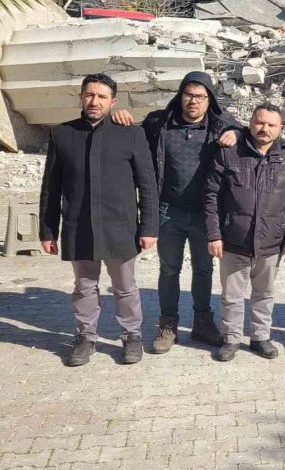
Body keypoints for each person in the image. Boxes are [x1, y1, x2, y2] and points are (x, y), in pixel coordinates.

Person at [113, 71, 241, 354]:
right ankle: (167, 324)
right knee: (169, 269)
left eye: (200, 96)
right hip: (168, 210)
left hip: (205, 213)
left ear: (209, 100)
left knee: (204, 269)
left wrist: (237, 132)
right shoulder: (159, 123)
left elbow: (252, 132)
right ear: (180, 95)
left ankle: (202, 322)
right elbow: (131, 139)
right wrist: (120, 120)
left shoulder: (221, 125)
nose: (193, 101)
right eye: (188, 95)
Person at [39, 74, 158, 367]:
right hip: (79, 226)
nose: (95, 101)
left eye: (102, 97)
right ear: (81, 97)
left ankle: (131, 336)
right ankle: (85, 337)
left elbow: (148, 185)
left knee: (125, 287)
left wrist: (149, 227)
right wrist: (47, 229)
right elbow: (50, 187)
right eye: (89, 95)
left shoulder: (130, 134)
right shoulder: (62, 134)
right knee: (84, 286)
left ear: (113, 101)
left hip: (121, 226)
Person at [204, 103, 285, 362]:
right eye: (260, 122)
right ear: (250, 123)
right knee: (232, 295)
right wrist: (214, 234)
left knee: (264, 294)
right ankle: (231, 338)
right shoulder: (229, 154)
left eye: (271, 125)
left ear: (280, 128)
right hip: (234, 241)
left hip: (271, 243)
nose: (265, 128)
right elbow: (211, 197)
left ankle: (260, 337)